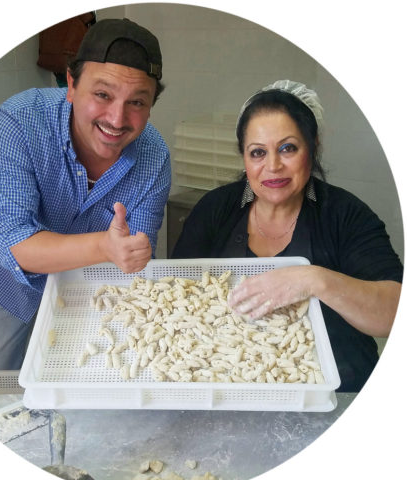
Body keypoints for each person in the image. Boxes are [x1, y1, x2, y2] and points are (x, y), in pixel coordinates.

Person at [172, 80, 402, 392]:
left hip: (338, 394)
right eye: (257, 152)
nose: (273, 166)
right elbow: (176, 294)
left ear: (314, 146)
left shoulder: (345, 215)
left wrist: (313, 280)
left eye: (288, 148)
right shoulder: (216, 210)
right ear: (243, 156)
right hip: (231, 389)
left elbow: (392, 312)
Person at [0, 18, 171, 370]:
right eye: (103, 94)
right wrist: (103, 247)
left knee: (79, 383)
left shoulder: (154, 158)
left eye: (137, 102)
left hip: (89, 295)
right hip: (7, 289)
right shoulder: (19, 121)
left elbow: (128, 263)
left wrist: (128, 254)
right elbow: (16, 241)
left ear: (152, 104)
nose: (117, 118)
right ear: (72, 84)